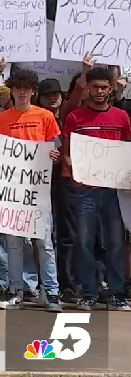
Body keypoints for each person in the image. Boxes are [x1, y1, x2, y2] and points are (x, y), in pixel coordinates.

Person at [0, 62, 63, 312]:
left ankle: (51, 292)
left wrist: (54, 155)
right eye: (18, 89)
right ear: (12, 91)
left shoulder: (45, 116)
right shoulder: (1, 119)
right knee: (14, 243)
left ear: (33, 92)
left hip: (37, 189)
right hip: (11, 190)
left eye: (26, 89)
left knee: (44, 243)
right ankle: (16, 291)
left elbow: (56, 146)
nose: (22, 93)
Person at [61, 66, 131, 311]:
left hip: (113, 191)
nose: (100, 91)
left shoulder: (122, 117)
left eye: (104, 87)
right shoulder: (75, 118)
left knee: (114, 243)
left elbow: (126, 151)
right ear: (88, 87)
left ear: (111, 89)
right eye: (95, 87)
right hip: (85, 190)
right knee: (84, 242)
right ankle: (88, 293)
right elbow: (66, 152)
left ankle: (116, 294)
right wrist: (75, 174)